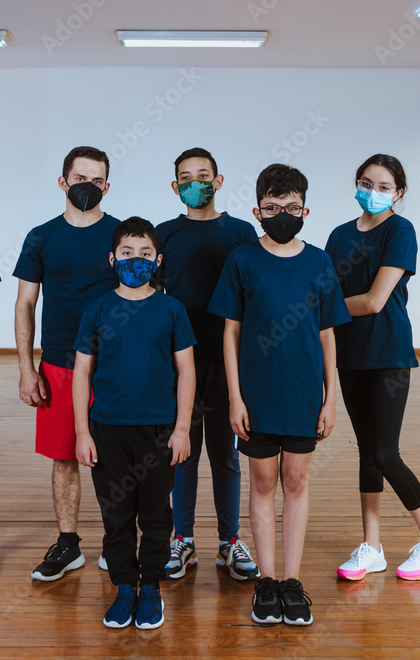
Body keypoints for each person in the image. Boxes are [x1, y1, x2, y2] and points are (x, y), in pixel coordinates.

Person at [209, 164, 350, 626]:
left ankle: (292, 581)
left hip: (303, 395)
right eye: (272, 208)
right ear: (258, 211)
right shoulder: (243, 262)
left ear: (305, 210)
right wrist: (235, 396)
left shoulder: (319, 263)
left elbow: (328, 334)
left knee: (296, 481)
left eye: (291, 207)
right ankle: (265, 582)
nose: (282, 214)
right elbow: (230, 334)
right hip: (256, 395)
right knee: (263, 484)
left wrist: (331, 399)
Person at [325, 153, 420, 582]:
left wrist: (315, 311)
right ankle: (372, 546)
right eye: (366, 183)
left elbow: (375, 300)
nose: (373, 192)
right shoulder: (339, 235)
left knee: (385, 452)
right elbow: (325, 290)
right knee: (366, 453)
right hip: (350, 354)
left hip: (389, 353)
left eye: (383, 187)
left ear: (398, 193)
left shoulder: (401, 230)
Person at [73, 217, 196, 629]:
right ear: (112, 259)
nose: (135, 260)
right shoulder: (97, 309)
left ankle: (152, 588)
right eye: (127, 253)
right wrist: (82, 432)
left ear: (158, 260)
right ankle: (125, 587)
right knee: (116, 515)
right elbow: (81, 374)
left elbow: (187, 372)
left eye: (145, 254)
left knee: (157, 515)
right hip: (107, 429)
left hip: (158, 430)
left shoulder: (171, 309)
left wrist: (181, 429)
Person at [13, 146, 120, 581]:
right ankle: (69, 543)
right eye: (80, 179)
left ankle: (117, 543)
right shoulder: (41, 237)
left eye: (97, 181)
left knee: (117, 458)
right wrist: (25, 367)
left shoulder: (122, 236)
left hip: (114, 364)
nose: (88, 187)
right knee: (64, 458)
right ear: (63, 183)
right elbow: (25, 303)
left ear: (106, 187)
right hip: (59, 363)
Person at [156, 148, 260, 581]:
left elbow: (254, 294)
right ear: (175, 185)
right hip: (180, 363)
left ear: (218, 182)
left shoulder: (241, 232)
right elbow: (152, 296)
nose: (195, 182)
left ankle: (229, 540)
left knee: (225, 454)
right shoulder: (163, 234)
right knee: (181, 453)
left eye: (203, 175)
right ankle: (182, 538)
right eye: (186, 176)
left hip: (227, 362)